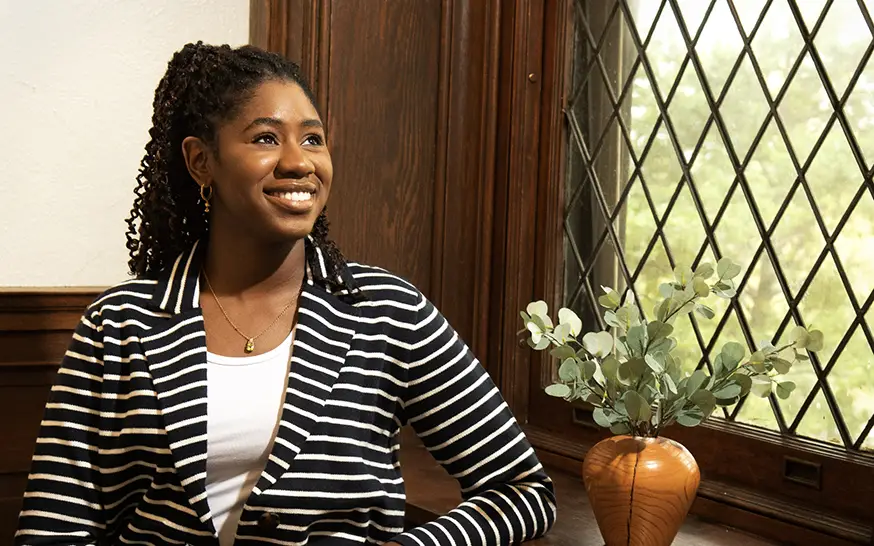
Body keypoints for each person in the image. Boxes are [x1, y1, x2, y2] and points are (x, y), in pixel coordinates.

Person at [14, 42, 556, 546]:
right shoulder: (121, 324)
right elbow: (53, 525)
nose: (299, 162)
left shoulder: (389, 312)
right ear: (202, 161)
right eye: (266, 138)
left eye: (313, 138)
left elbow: (523, 490)